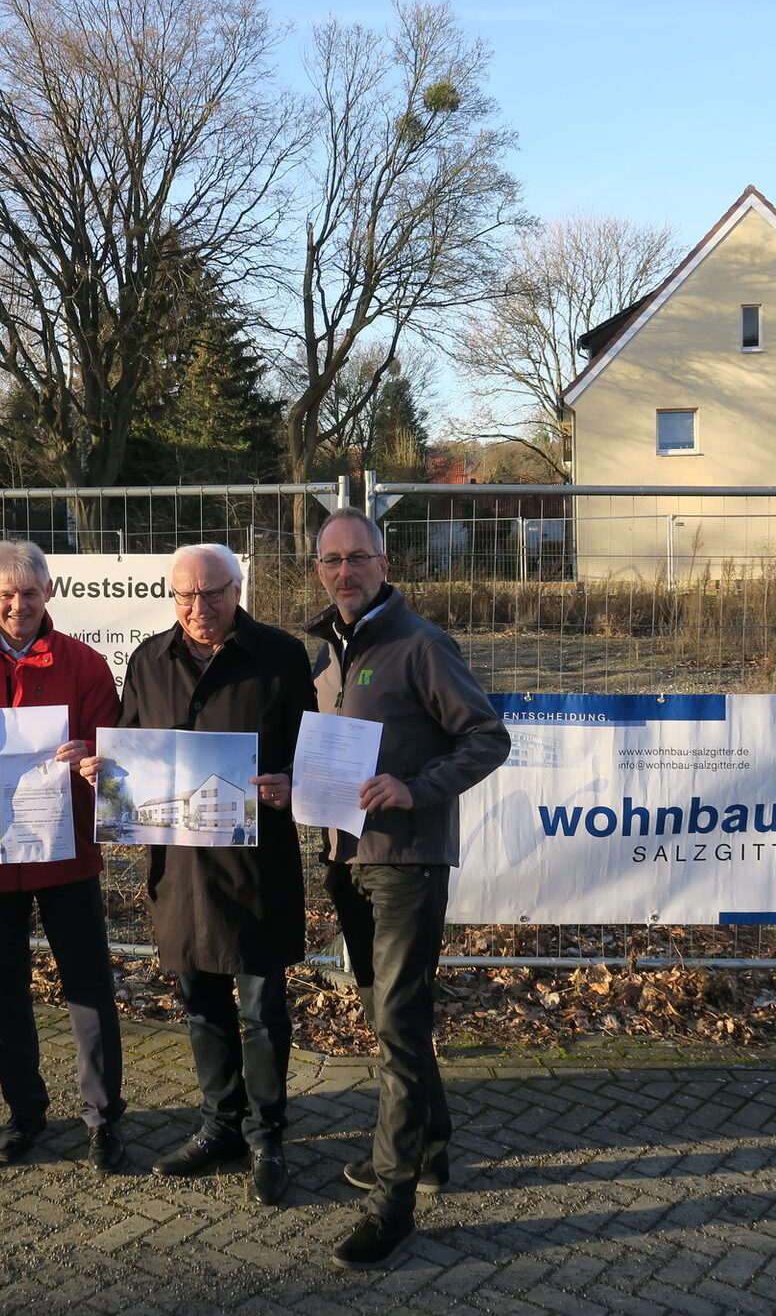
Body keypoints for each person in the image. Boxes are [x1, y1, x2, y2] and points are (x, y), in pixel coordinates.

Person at [306, 508, 510, 1270]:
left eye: (358, 557)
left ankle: (392, 1206)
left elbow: (487, 737)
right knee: (389, 1014)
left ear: (384, 564)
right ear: (319, 570)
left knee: (396, 1023)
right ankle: (431, 1144)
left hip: (407, 862)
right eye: (332, 560)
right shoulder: (325, 652)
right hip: (346, 859)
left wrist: (415, 788)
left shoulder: (421, 645)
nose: (346, 571)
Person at [81, 543, 311, 1206]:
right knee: (202, 1005)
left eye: (211, 593)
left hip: (254, 865)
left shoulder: (280, 656)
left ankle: (267, 1135)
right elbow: (129, 745)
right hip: (178, 870)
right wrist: (105, 776)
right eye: (184, 595)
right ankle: (220, 1125)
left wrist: (291, 782)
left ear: (237, 590)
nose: (198, 607)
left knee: (262, 1010)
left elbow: (312, 749)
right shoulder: (148, 660)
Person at [0, 540, 127, 1172]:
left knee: (88, 987)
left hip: (66, 855)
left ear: (49, 593)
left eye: (30, 592)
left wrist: (89, 755)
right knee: (4, 990)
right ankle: (25, 1112)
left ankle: (103, 1117)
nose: (19, 605)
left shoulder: (84, 664)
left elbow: (112, 748)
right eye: (7, 594)